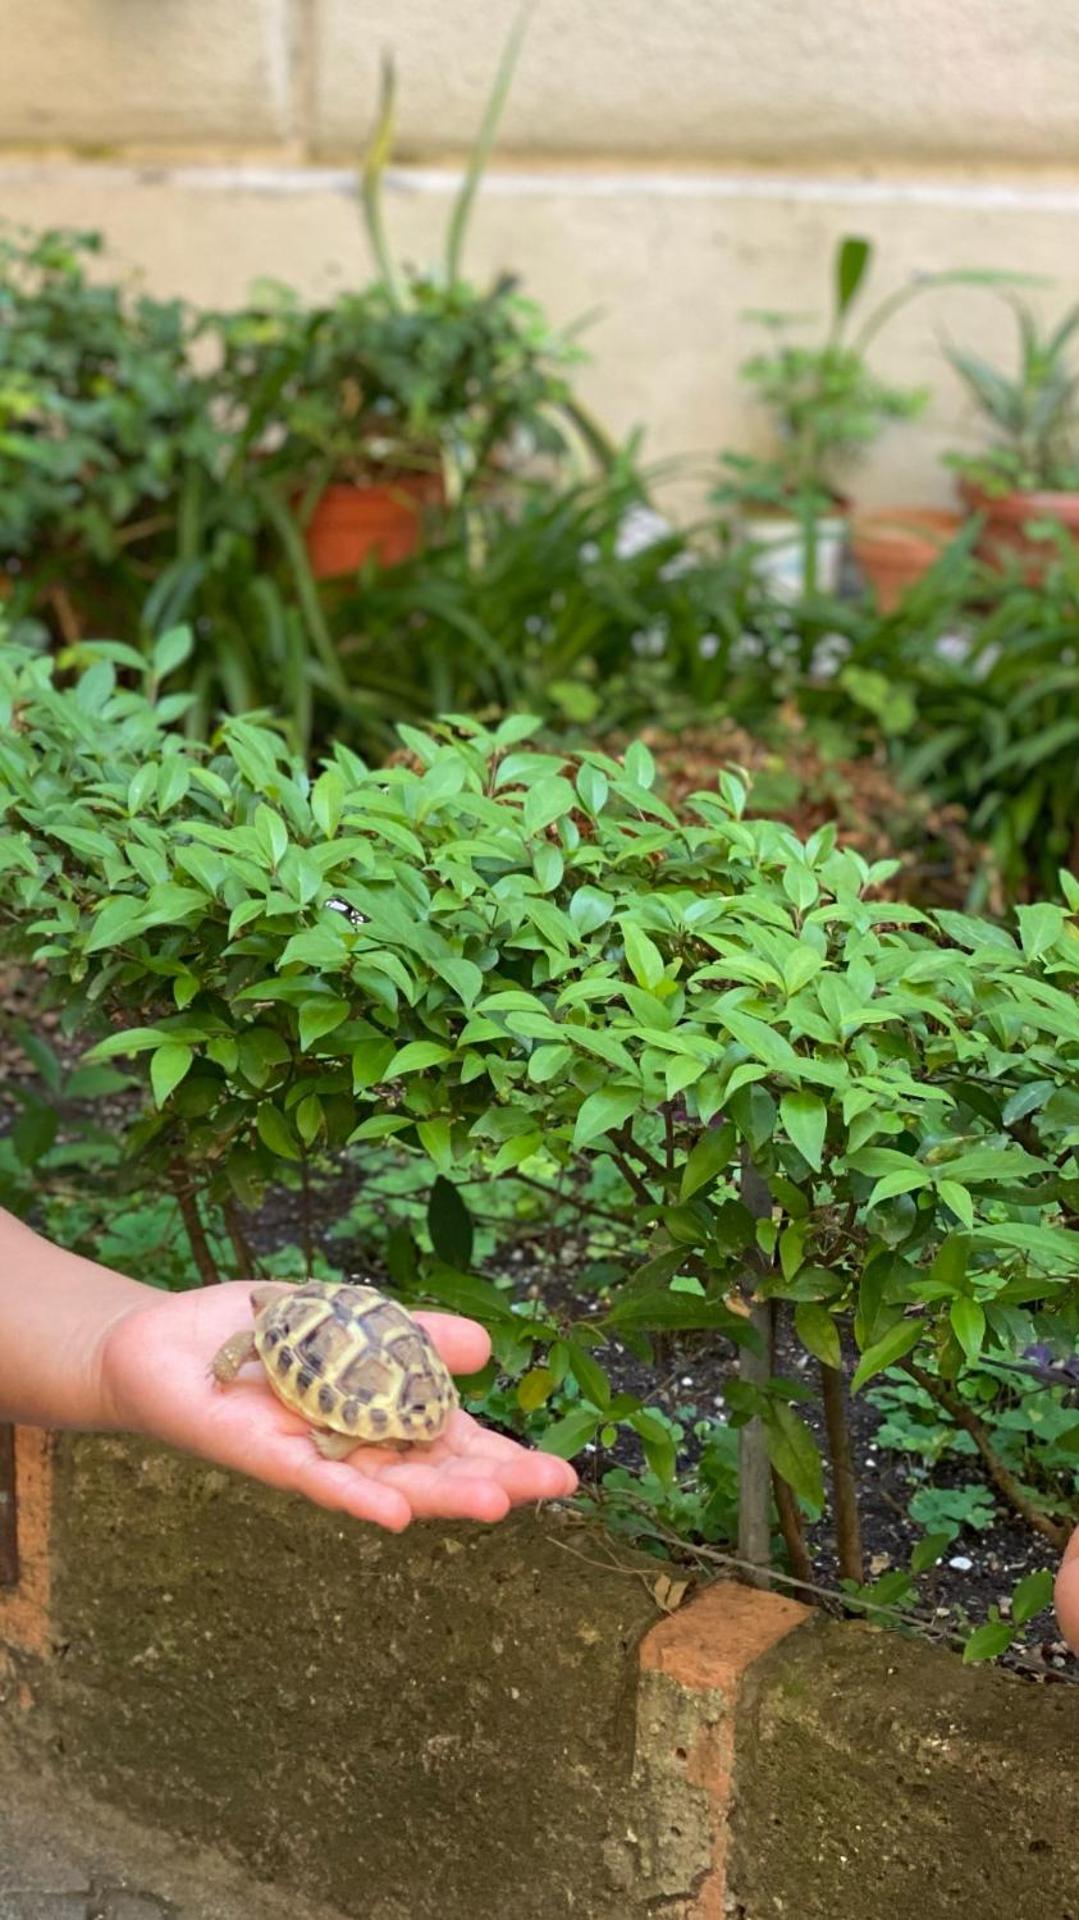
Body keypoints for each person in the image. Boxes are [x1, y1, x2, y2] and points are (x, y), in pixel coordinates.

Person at [0, 1207, 576, 1531]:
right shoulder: (298, 1307)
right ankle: (350, 1435)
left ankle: (345, 1437)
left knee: (335, 1442)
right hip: (409, 1386)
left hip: (351, 1378)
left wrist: (114, 1344)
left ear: (263, 1311)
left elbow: (238, 1353)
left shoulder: (267, 1330)